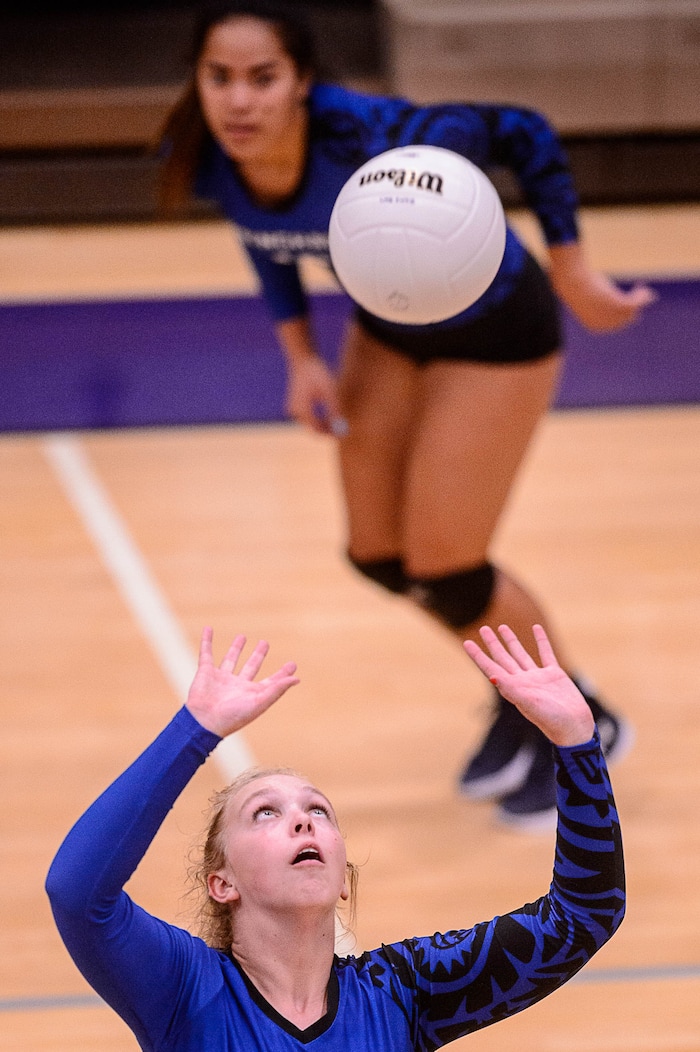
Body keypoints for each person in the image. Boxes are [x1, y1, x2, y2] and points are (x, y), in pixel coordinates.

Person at [155, 0, 651, 829]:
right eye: (220, 77)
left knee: (448, 562)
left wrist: (571, 267)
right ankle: (514, 692)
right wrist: (302, 355)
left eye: (264, 78)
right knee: (380, 554)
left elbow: (523, 130)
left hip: (496, 328)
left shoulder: (378, 134)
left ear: (304, 83)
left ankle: (581, 723)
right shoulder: (208, 156)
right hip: (388, 326)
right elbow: (267, 240)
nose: (240, 100)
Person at [46, 622, 625, 1051]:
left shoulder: (403, 991)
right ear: (221, 883)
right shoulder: (184, 990)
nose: (303, 821)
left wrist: (576, 741)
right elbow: (77, 893)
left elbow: (581, 917)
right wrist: (193, 731)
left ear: (343, 882)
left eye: (318, 810)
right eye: (265, 814)